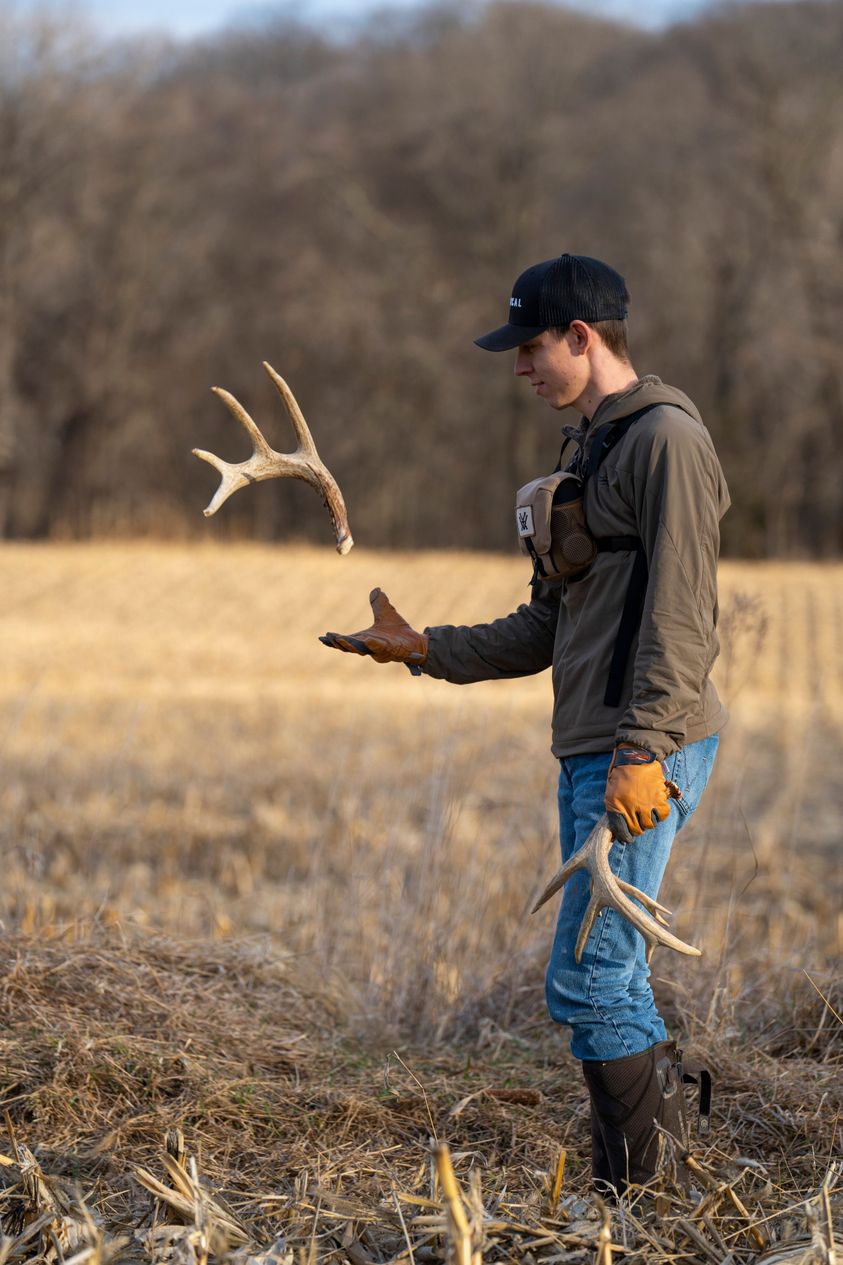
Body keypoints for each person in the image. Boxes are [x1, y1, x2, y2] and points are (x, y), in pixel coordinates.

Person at [320, 253, 729, 1196]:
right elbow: (548, 625)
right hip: (594, 747)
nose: (519, 367)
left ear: (582, 338)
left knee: (588, 977)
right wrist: (423, 647)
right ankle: (654, 1169)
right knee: (605, 973)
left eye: (532, 346)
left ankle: (640, 1198)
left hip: (638, 749)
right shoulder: (590, 448)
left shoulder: (666, 441)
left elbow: (679, 612)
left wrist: (640, 752)